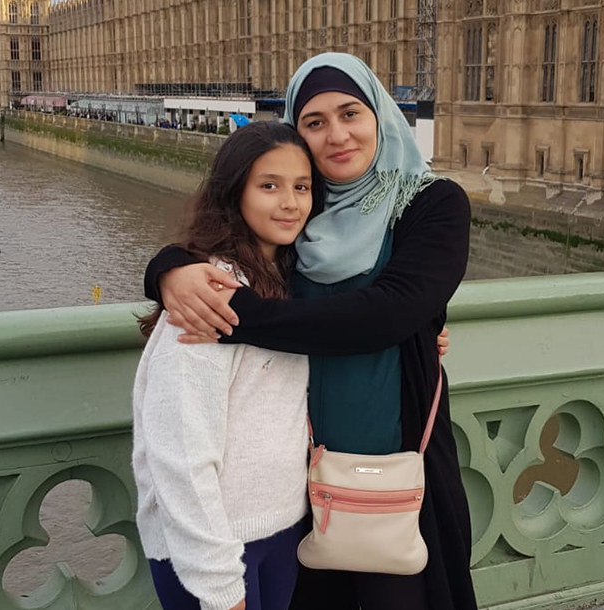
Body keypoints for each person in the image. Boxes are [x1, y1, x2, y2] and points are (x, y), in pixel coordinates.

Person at [142, 53, 478, 610]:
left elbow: (386, 314)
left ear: (380, 114)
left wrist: (236, 318)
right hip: (296, 491)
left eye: (351, 114)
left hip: (393, 478)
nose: (337, 136)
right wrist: (168, 270)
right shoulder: (305, 213)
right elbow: (227, 240)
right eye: (314, 123)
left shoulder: (432, 205)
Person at [132, 120, 326, 610]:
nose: (290, 202)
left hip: (282, 529)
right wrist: (218, 583)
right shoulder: (207, 297)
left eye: (301, 187)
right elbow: (179, 451)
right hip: (212, 552)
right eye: (269, 186)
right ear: (233, 192)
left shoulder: (292, 283)